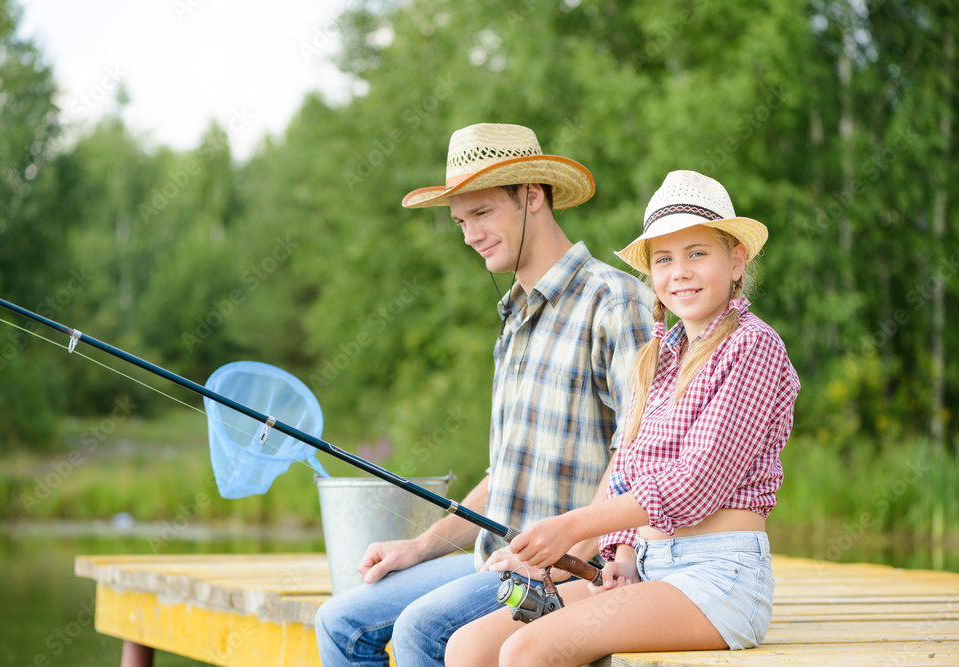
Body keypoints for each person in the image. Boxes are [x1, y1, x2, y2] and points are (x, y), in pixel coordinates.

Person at [313, 123, 654, 666]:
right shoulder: (514, 320)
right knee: (338, 622)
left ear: (532, 196)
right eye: (460, 221)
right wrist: (420, 547)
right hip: (493, 560)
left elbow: (640, 455)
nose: (469, 235)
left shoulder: (614, 301)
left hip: (570, 570)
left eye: (482, 213)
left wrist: (563, 556)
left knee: (422, 631)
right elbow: (503, 477)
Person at [444, 170, 801, 667]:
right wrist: (621, 554)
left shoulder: (753, 346)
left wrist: (572, 526)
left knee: (528, 651)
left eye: (697, 253)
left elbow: (696, 483)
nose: (680, 271)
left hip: (718, 581)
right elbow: (629, 469)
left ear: (736, 259)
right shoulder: (657, 358)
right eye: (664, 259)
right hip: (650, 571)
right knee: (468, 649)